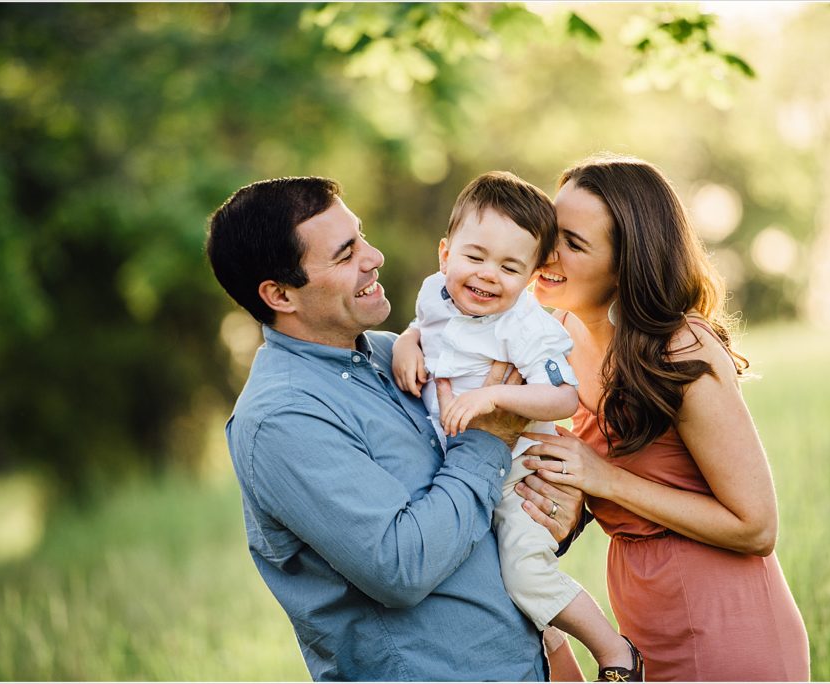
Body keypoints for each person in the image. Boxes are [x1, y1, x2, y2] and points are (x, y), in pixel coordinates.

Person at [204, 176, 584, 682]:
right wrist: (489, 438)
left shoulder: (398, 355)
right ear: (280, 294)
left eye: (361, 237)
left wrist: (561, 513)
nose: (374, 256)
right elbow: (402, 567)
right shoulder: (282, 419)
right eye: (345, 255)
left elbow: (481, 517)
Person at [522, 154, 811, 681]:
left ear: (626, 264)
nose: (545, 250)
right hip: (643, 623)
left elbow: (757, 526)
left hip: (729, 628)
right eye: (547, 230)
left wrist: (600, 478)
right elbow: (601, 477)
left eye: (573, 242)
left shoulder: (680, 349)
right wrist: (572, 508)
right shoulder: (552, 335)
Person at [391, 171, 643, 682]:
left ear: (531, 278)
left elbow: (563, 396)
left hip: (518, 475)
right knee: (491, 584)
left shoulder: (526, 327)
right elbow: (428, 328)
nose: (487, 275)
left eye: (510, 267)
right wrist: (405, 342)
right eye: (475, 257)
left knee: (526, 576)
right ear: (445, 254)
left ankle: (616, 655)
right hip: (462, 471)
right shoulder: (436, 294)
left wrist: (496, 395)